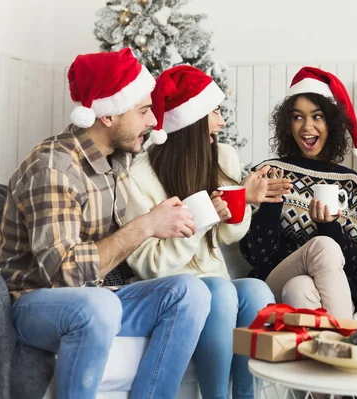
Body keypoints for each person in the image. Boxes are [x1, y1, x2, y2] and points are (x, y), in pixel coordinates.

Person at [0, 49, 211, 399]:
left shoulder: (117, 163)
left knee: (190, 292)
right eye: (143, 111)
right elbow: (66, 276)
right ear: (108, 116)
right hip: (34, 301)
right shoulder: (54, 167)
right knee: (99, 304)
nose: (154, 121)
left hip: (97, 296)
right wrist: (145, 226)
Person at [122, 65, 284, 399]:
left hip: (213, 279)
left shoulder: (221, 155)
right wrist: (199, 219)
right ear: (192, 121)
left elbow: (226, 237)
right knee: (220, 292)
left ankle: (246, 395)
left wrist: (244, 202)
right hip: (171, 288)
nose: (223, 121)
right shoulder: (139, 177)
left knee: (256, 292)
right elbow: (149, 264)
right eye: (216, 111)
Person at [240, 67, 357, 318]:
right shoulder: (268, 173)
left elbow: (354, 264)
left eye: (317, 117)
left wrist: (329, 226)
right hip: (273, 279)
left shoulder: (353, 184)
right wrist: (270, 204)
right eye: (298, 117)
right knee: (322, 247)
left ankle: (319, 353)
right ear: (287, 123)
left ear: (331, 123)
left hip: (319, 289)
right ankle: (346, 340)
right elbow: (255, 255)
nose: (307, 126)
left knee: (300, 288)